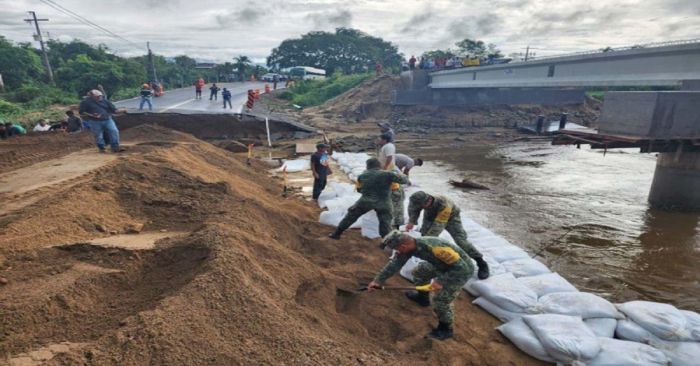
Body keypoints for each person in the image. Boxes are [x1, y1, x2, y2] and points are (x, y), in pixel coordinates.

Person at [367, 231, 474, 340]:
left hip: (459, 271)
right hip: (441, 265)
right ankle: (422, 298)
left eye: (397, 249)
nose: (397, 251)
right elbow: (395, 264)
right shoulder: (408, 248)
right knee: (419, 273)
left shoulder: (435, 248)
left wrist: (441, 281)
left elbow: (462, 268)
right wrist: (378, 280)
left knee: (440, 301)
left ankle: (446, 329)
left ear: (403, 246)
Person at [406, 191, 490, 279]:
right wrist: (411, 222)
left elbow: (437, 227)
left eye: (422, 206)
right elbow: (413, 210)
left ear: (429, 200)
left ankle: (481, 263)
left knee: (461, 241)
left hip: (451, 218)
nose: (420, 207)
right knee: (424, 236)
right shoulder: (417, 200)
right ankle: (431, 261)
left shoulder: (444, 204)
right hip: (430, 216)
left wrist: (427, 241)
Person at [328, 158, 408, 240]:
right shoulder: (388, 174)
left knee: (351, 216)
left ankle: (337, 233)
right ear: (379, 166)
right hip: (384, 202)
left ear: (367, 166)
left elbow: (359, 190)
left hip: (366, 201)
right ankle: (385, 242)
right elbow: (404, 181)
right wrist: (403, 174)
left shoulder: (362, 176)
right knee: (385, 222)